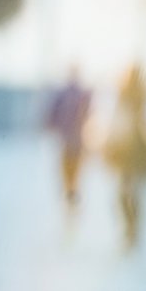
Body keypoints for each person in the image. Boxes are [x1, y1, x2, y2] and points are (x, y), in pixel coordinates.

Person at [103, 64, 146, 249]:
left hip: (132, 153)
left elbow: (120, 122)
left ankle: (132, 229)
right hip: (130, 153)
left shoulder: (140, 96)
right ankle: (131, 228)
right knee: (129, 194)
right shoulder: (130, 95)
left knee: (128, 194)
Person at [44, 67, 93, 211]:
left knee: (69, 167)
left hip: (68, 138)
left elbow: (52, 114)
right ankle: (71, 191)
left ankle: (70, 191)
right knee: (73, 167)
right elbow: (88, 113)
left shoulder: (64, 94)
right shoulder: (79, 93)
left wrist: (52, 125)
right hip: (75, 139)